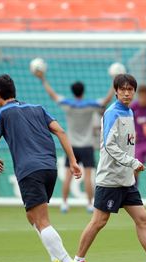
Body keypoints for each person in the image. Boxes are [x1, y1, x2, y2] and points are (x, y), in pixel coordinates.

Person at [73, 74, 146, 262]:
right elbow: (109, 145)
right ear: (115, 91)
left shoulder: (130, 112)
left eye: (130, 89)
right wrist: (132, 162)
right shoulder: (112, 113)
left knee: (142, 218)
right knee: (99, 221)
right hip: (110, 179)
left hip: (126, 180)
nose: (126, 92)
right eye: (122, 89)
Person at [0, 73, 82, 262]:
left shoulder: (1, 113)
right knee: (32, 216)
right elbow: (61, 131)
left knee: (42, 220)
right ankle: (55, 260)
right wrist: (73, 161)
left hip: (29, 170)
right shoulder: (38, 108)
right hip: (50, 168)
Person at [34, 70, 114, 213]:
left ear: (73, 92)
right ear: (83, 92)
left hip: (72, 146)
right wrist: (114, 80)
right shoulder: (90, 105)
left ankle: (64, 203)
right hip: (87, 146)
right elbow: (107, 99)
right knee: (89, 176)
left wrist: (43, 79)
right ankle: (90, 204)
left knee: (68, 175)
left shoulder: (68, 104)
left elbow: (52, 95)